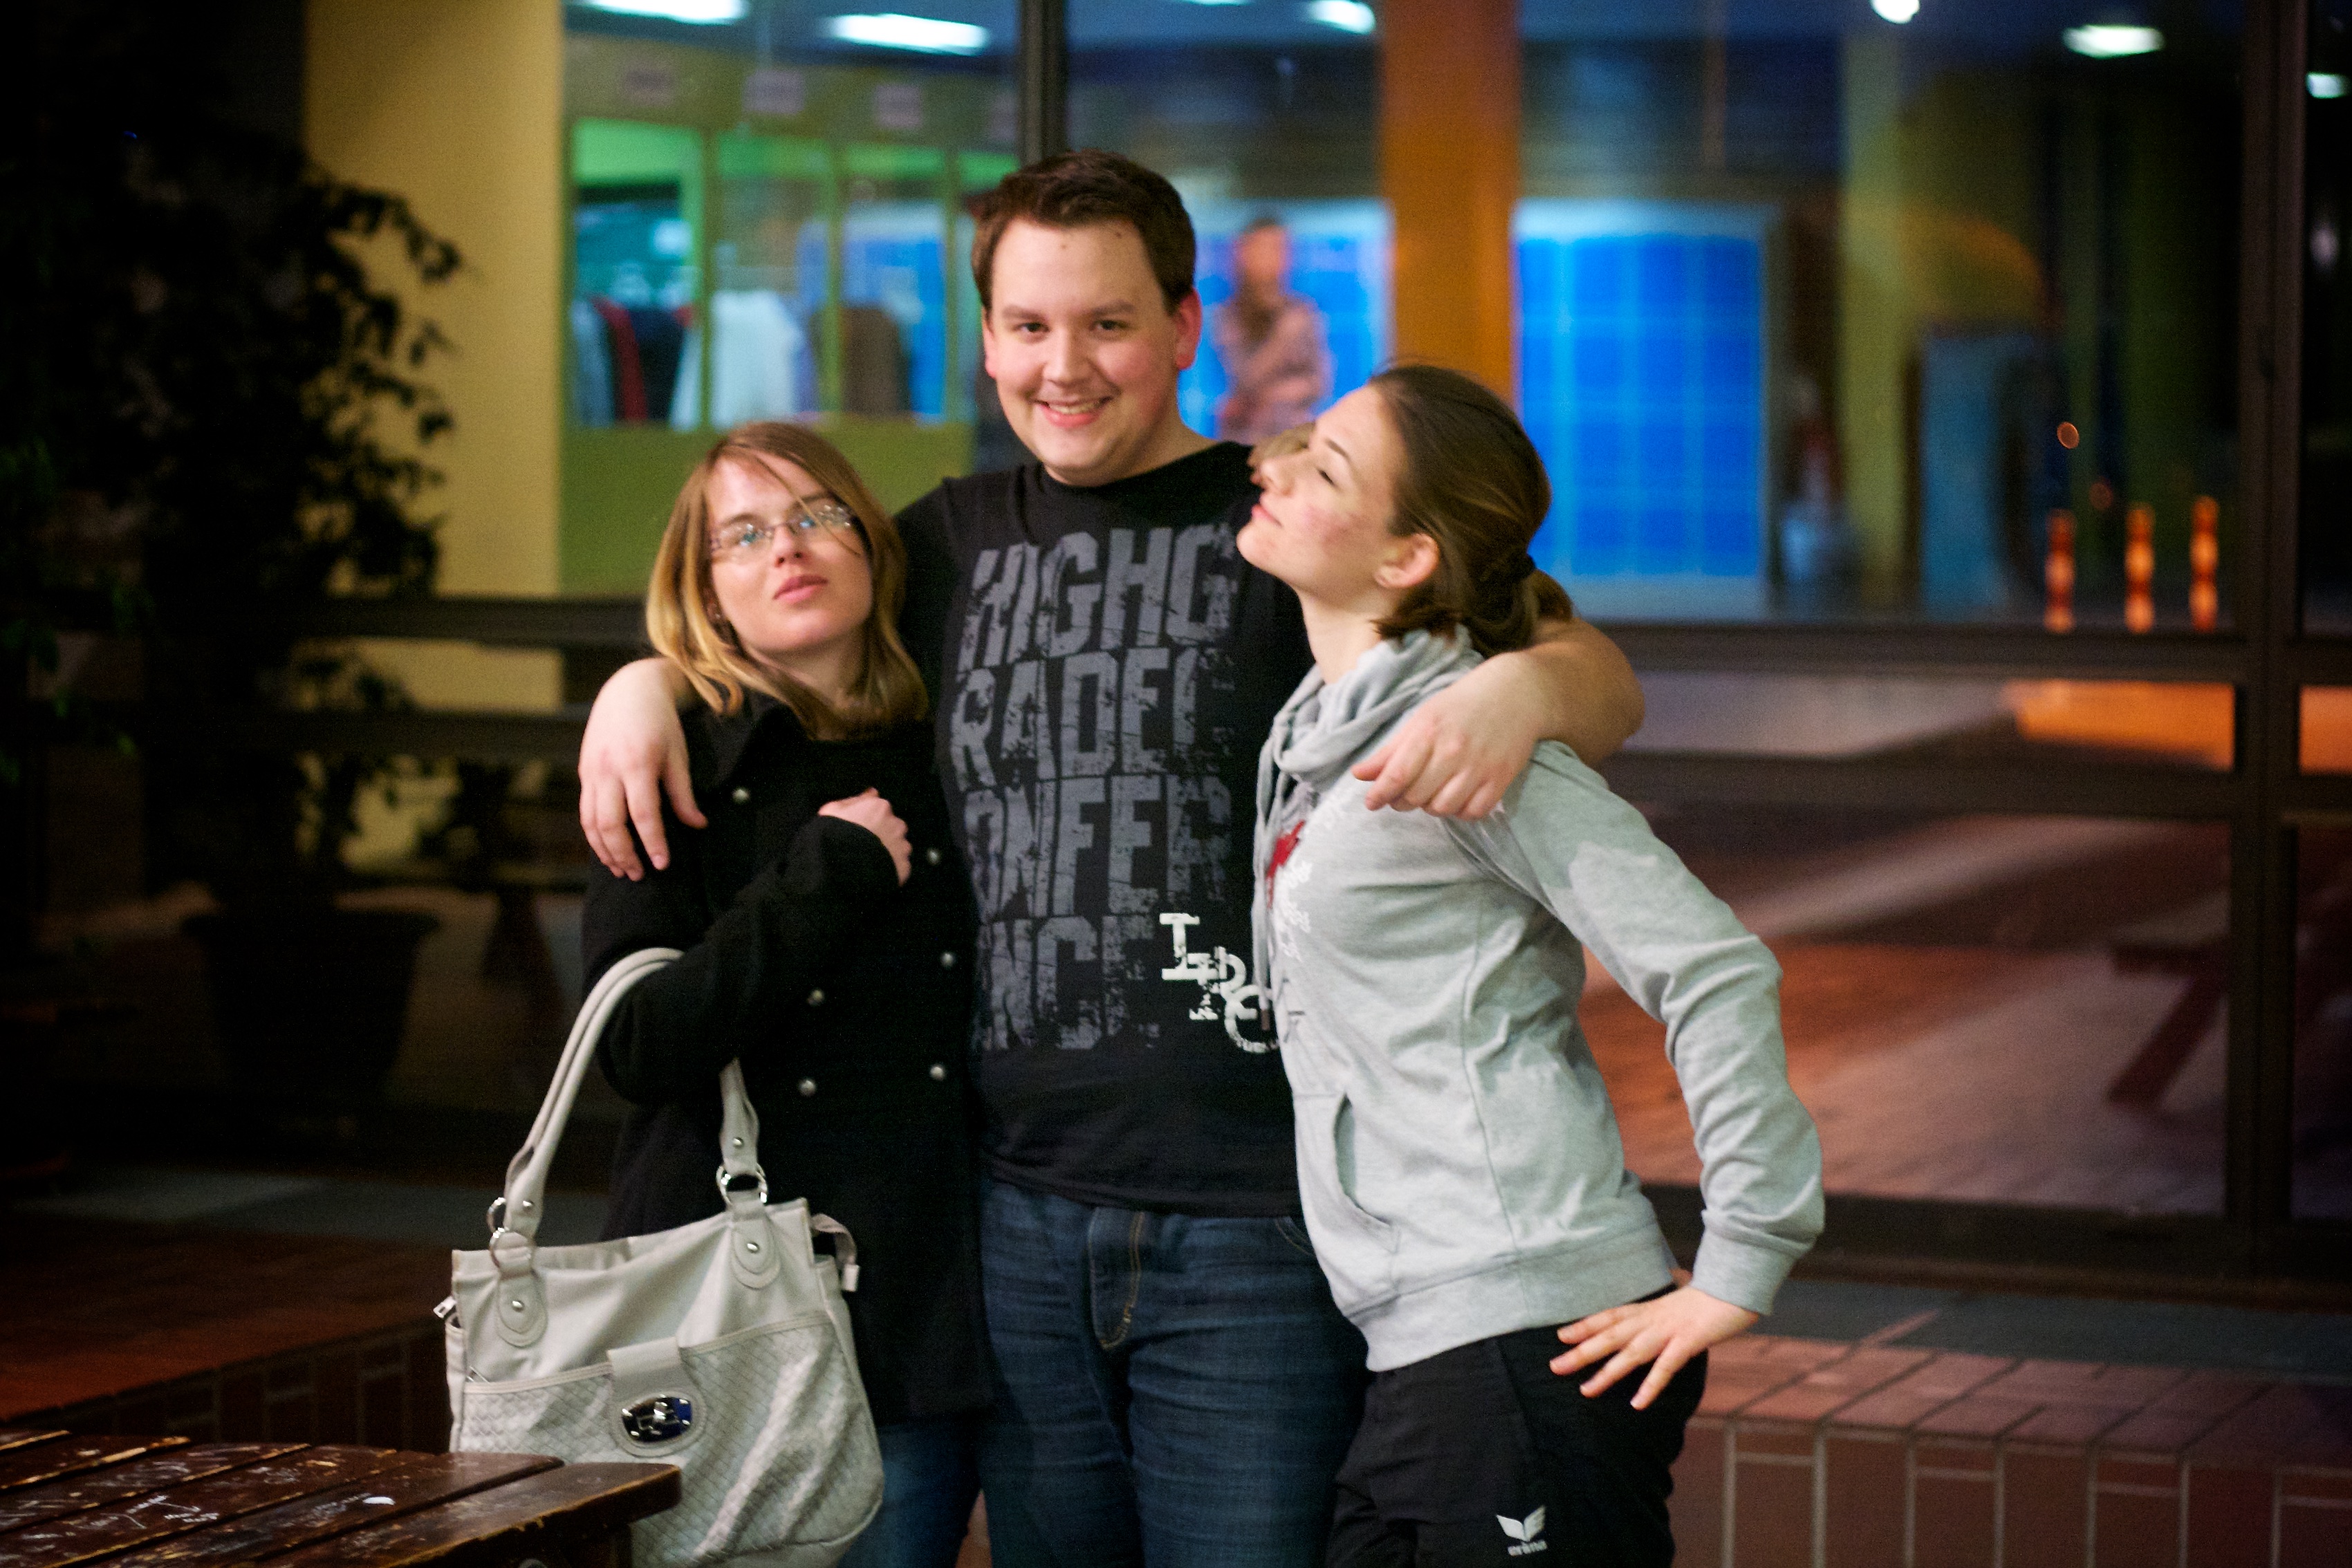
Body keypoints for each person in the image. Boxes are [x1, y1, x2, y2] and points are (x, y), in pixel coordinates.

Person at [576, 150, 1649, 1568]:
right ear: (986, 339)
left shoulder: (1279, 520)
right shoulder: (945, 547)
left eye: (1107, 323)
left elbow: (1593, 667)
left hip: (1257, 1221)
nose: (1062, 365)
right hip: (1013, 1222)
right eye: (1028, 325)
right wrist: (643, 682)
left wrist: (1525, 689)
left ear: (1184, 328)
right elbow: (784, 625)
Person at [1240, 366, 1823, 1567]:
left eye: (1326, 467)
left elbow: (1713, 968)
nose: (1279, 468)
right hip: (1425, 1346)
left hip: (1528, 1329)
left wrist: (1743, 1261)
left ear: (1407, 556)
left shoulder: (1476, 749)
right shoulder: (1320, 738)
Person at [583, 421, 988, 1568]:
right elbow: (637, 1045)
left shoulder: (955, 745)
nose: (788, 549)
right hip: (717, 1309)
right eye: (745, 535)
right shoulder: (676, 762)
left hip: (914, 1308)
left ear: (872, 543)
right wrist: (823, 878)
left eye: (817, 516)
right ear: (704, 588)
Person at [1212, 215, 1331, 445]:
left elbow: (1320, 383)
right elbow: (1245, 380)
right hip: (1249, 439)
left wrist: (1273, 395)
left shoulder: (1303, 312)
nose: (1275, 257)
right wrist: (1283, 337)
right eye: (1265, 248)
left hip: (1295, 437)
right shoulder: (1229, 315)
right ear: (1244, 253)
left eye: (1281, 248)